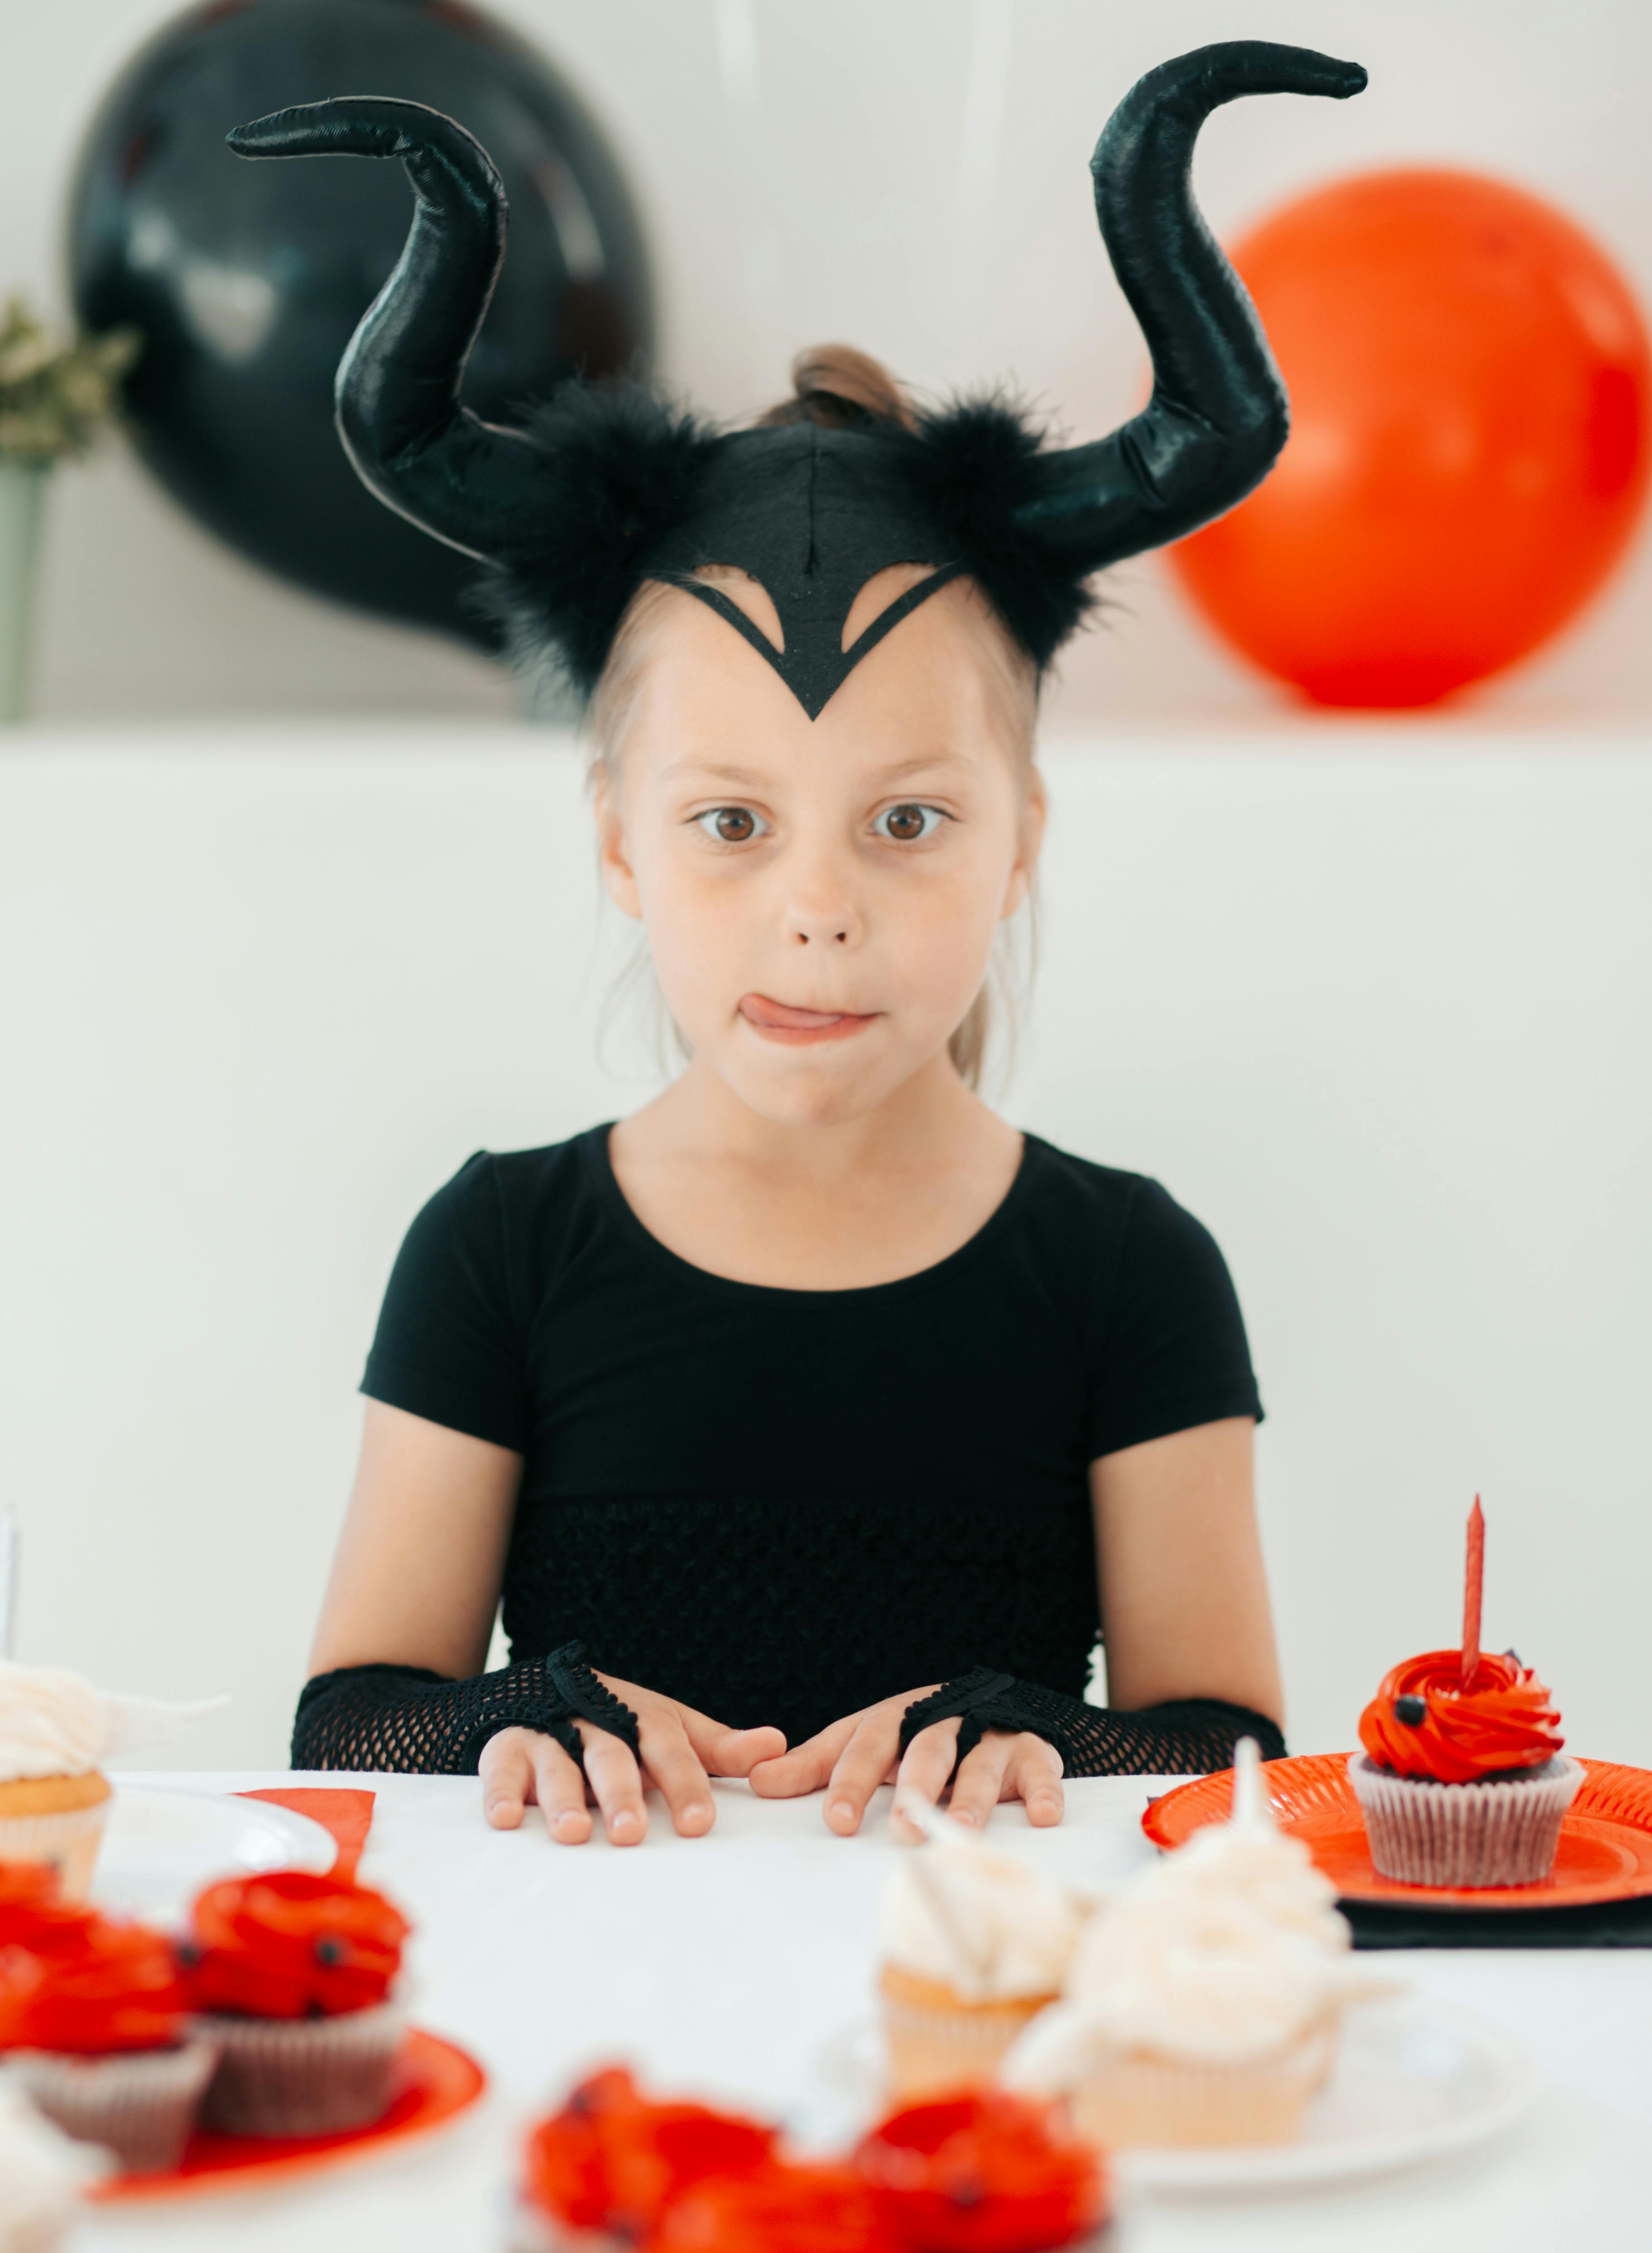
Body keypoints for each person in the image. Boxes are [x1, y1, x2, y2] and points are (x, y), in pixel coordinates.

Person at [246, 42, 1367, 1845]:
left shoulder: (1132, 1270)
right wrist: (509, 1720)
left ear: (1021, 845)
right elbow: (347, 1724)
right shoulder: (498, 1250)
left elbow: (1230, 1752)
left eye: (907, 821)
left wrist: (1053, 1739)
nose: (820, 904)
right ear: (623, 841)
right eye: (732, 822)